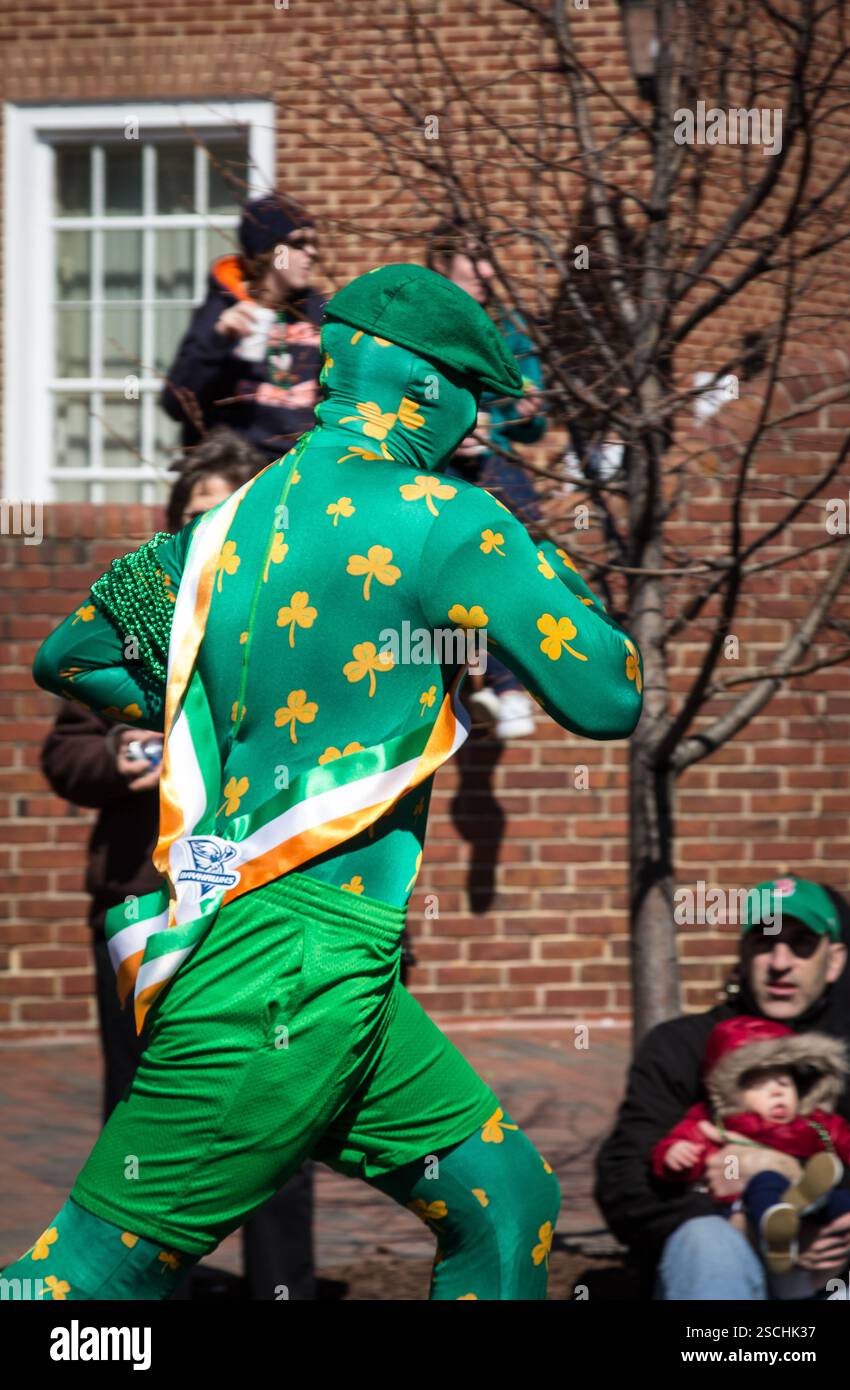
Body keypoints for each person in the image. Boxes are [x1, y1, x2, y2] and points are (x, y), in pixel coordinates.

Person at [5, 264, 643, 1301]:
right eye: (474, 401)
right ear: (427, 391)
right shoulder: (454, 523)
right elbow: (609, 693)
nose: (478, 428)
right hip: (287, 976)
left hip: (326, 968)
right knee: (82, 1281)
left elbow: (71, 655)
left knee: (506, 1197)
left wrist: (216, 723)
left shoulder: (220, 527)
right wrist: (545, 571)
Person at [38, 430, 319, 1301]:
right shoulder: (126, 625)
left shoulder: (296, 627)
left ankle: (282, 1290)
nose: (213, 530)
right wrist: (124, 757)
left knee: (268, 1112)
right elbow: (66, 753)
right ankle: (126, 1308)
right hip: (141, 910)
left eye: (230, 516)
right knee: (141, 1117)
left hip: (255, 912)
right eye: (197, 516)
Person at [594, 877, 850, 1300]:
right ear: (743, 953)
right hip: (723, 1252)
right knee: (707, 1242)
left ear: (834, 961)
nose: (780, 961)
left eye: (800, 943)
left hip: (841, 1270)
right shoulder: (681, 1046)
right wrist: (746, 1224)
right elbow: (624, 1183)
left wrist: (798, 1185)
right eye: (764, 941)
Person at [427, 220, 548, 740]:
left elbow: (535, 423)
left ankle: (504, 681)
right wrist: (452, 425)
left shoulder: (509, 330)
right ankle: (474, 678)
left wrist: (518, 411)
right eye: (473, 257)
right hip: (437, 470)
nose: (485, 271)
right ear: (441, 263)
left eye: (488, 258)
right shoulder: (422, 327)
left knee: (516, 547)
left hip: (494, 468)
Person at [652, 1015, 850, 1275]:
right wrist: (676, 1156)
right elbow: (689, 1145)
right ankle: (777, 1232)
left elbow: (843, 1136)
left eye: (784, 1084)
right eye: (761, 1085)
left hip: (814, 1235)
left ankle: (817, 1212)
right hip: (751, 1226)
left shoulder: (815, 1123)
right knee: (765, 1181)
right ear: (733, 1092)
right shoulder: (720, 1125)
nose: (777, 1092)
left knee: (845, 1198)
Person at [161, 194, 324, 464]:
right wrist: (218, 341)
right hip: (234, 474)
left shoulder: (317, 313)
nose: (313, 253)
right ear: (268, 250)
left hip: (297, 476)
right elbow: (176, 405)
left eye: (314, 243)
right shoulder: (223, 309)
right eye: (298, 243)